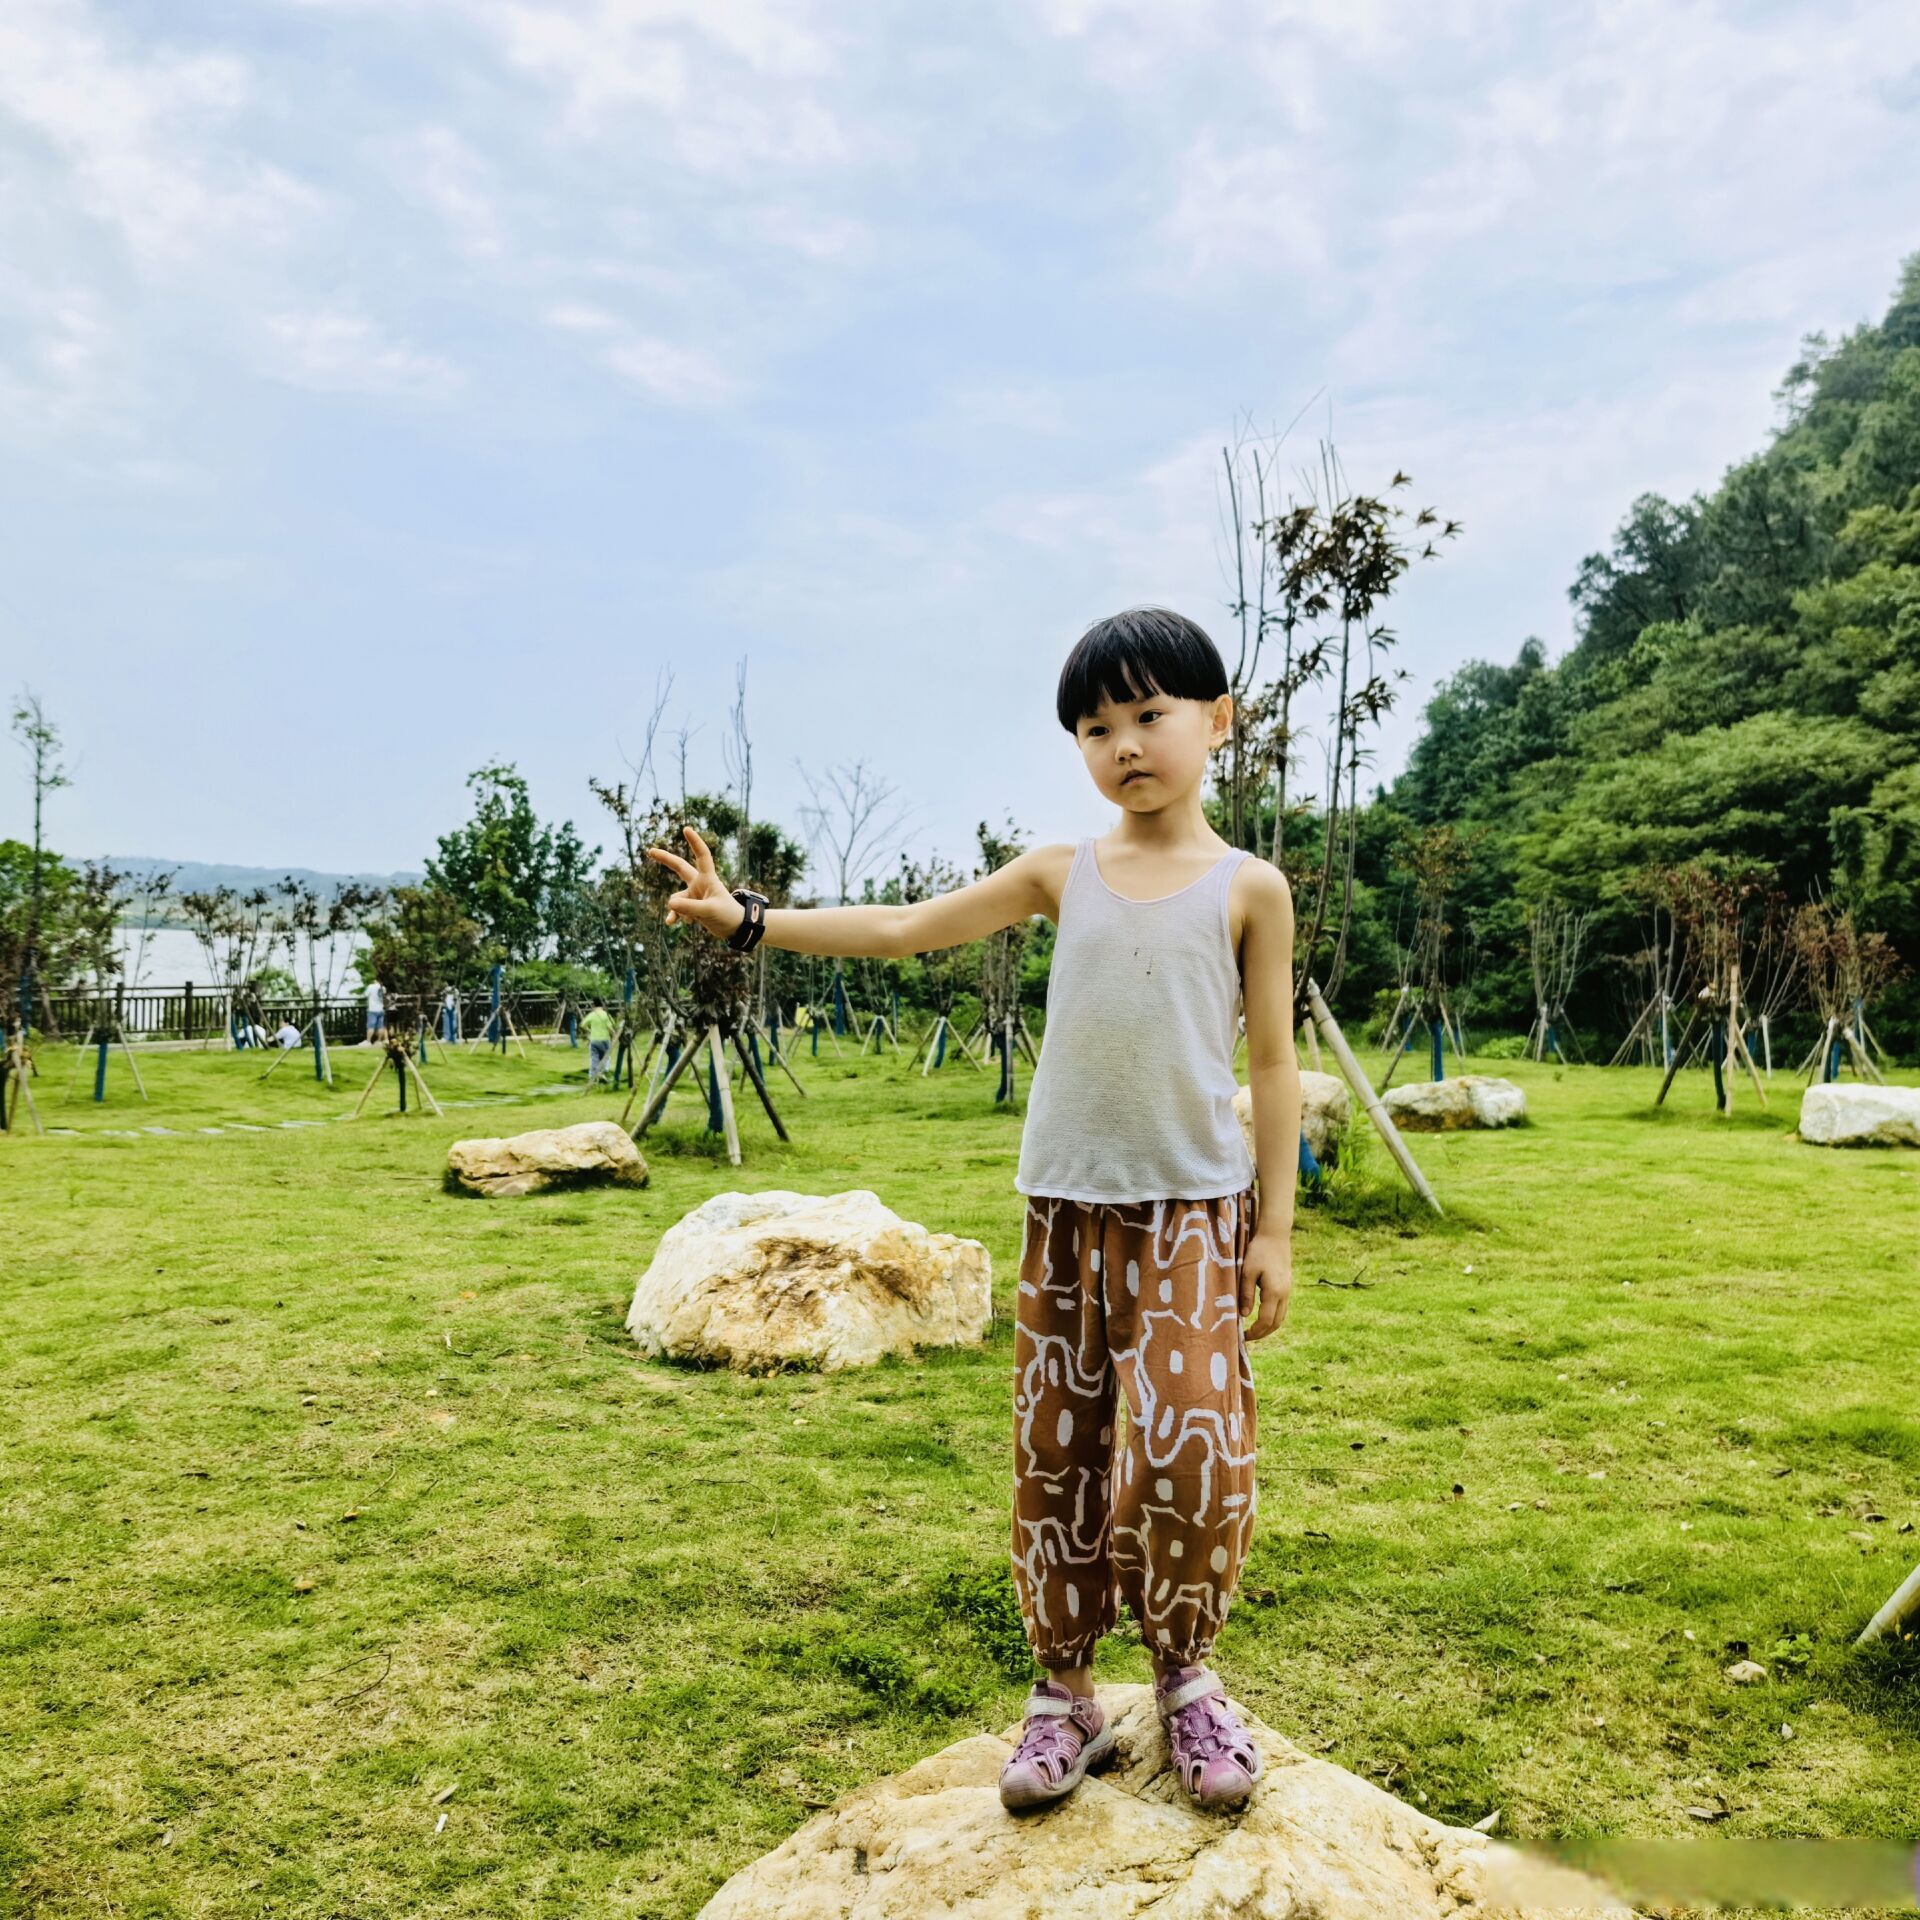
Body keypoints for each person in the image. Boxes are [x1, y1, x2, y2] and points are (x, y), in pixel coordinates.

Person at [648, 607, 1300, 1816]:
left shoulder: (1251, 888)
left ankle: (1187, 1675)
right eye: (1096, 728)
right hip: (1067, 1218)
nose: (1125, 745)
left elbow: (1270, 1065)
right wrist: (747, 917)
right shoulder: (1063, 873)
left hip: (1197, 1220)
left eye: (1150, 714)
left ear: (1218, 720)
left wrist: (1274, 1228)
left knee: (1188, 1455)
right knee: (1060, 1452)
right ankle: (1064, 1694)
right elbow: (904, 931)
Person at [582, 999, 616, 1085]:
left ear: (593, 1005)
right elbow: (610, 1027)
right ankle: (603, 1074)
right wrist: (615, 1036)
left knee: (594, 1059)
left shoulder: (592, 1014)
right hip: (604, 1040)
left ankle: (592, 1078)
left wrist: (590, 1031)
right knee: (606, 1058)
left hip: (594, 1040)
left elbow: (582, 1025)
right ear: (602, 1005)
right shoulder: (606, 1015)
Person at [364, 977, 386, 1044]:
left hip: (373, 1009)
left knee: (371, 1026)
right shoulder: (383, 988)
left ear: (375, 980)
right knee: (380, 1026)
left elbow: (365, 994)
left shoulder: (371, 986)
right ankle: (379, 1041)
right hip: (381, 1009)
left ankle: (368, 1041)